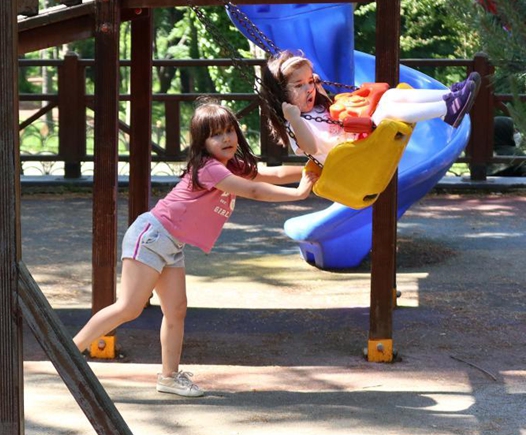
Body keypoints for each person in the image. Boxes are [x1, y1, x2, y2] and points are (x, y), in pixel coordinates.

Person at [72, 100, 318, 397]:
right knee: (129, 307)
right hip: (152, 236)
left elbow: (271, 174)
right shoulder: (210, 168)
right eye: (217, 135)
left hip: (171, 243)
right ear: (202, 143)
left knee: (176, 310)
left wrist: (313, 166)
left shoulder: (231, 165)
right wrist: (300, 193)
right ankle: (68, 354)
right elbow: (253, 190)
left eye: (230, 131)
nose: (226, 138)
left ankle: (169, 377)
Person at [262, 50, 481, 164]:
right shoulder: (294, 126)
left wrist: (318, 88)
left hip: (360, 140)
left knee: (392, 95)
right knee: (386, 112)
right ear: (280, 95)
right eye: (299, 85)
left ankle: (449, 98)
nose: (308, 89)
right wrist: (294, 119)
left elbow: (331, 111)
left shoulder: (316, 108)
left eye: (310, 81)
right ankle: (448, 109)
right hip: (353, 158)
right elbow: (309, 147)